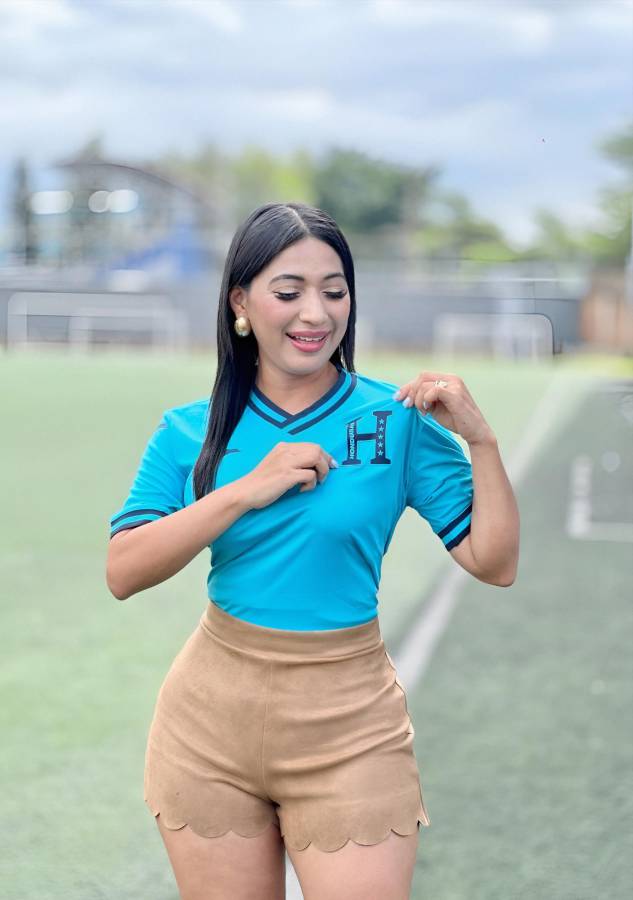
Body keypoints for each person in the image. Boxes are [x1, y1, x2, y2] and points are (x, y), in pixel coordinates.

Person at [106, 201, 519, 900]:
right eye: (288, 291)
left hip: (350, 724)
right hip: (209, 721)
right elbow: (123, 571)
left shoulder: (397, 421)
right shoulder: (188, 430)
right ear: (241, 302)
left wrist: (480, 441)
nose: (315, 314)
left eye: (333, 291)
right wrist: (243, 491)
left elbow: (493, 561)